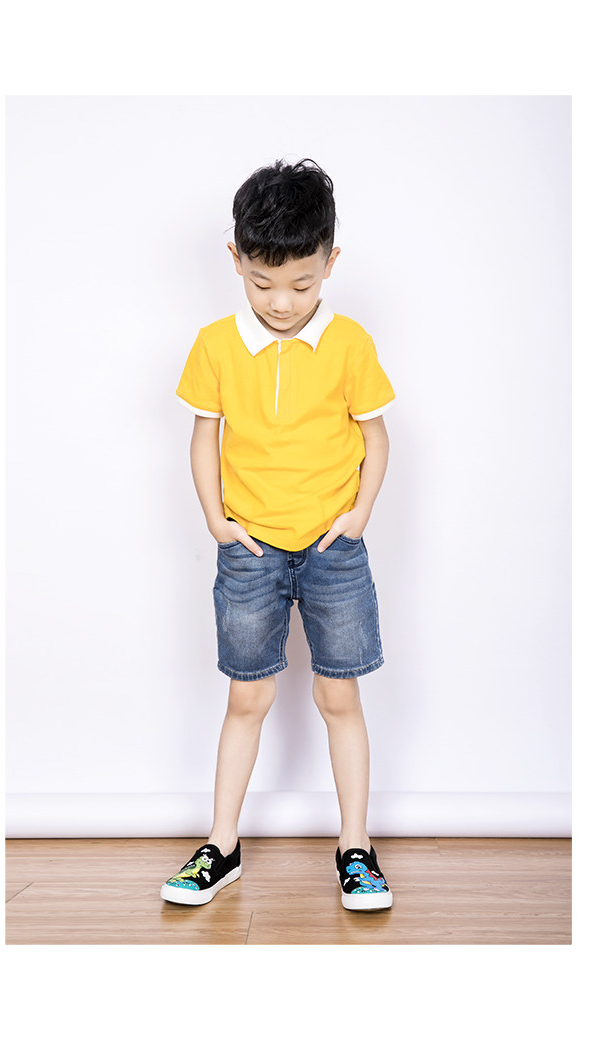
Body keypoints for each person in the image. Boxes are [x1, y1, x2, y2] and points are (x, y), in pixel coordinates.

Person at [161, 158, 395, 911]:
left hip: (333, 548)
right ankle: (221, 845)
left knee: (339, 696)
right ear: (236, 260)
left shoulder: (349, 342)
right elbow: (204, 435)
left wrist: (359, 514)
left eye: (302, 282)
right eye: (263, 284)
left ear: (331, 261)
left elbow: (376, 435)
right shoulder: (215, 344)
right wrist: (216, 519)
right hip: (251, 552)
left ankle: (355, 848)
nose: (283, 302)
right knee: (246, 698)